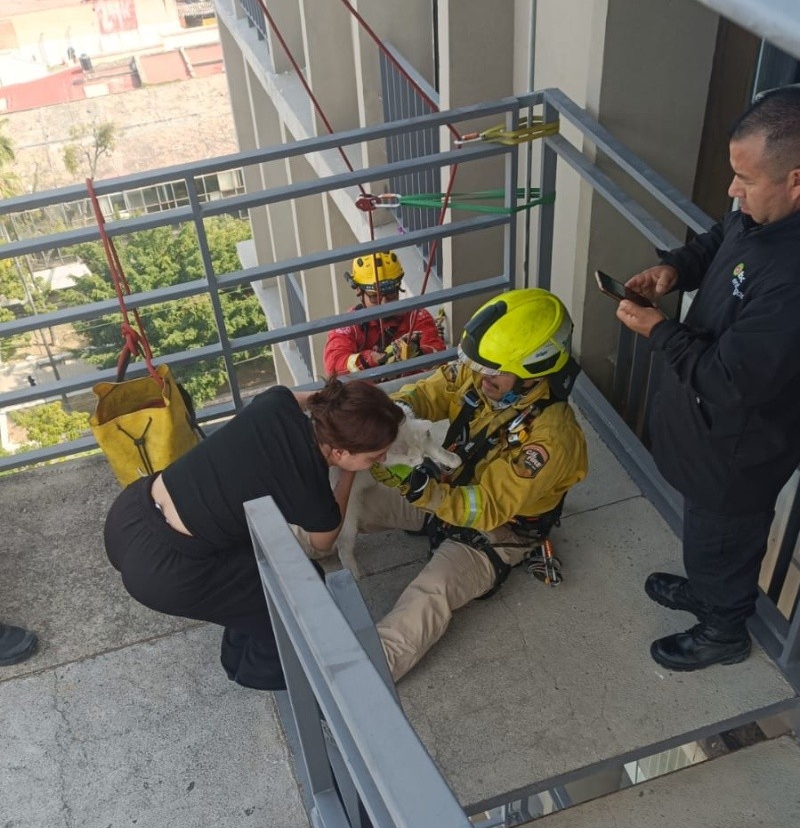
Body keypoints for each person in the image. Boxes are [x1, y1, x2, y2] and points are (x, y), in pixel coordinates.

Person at [617, 85, 800, 672]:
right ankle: (706, 588)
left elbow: (731, 380)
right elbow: (722, 239)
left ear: (797, 179)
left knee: (725, 541)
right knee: (706, 536)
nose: (732, 190)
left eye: (745, 178)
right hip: (707, 432)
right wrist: (676, 267)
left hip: (740, 448)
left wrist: (657, 331)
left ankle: (723, 630)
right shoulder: (762, 212)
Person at [104, 380, 402, 691]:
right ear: (340, 451)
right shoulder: (310, 489)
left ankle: (242, 627)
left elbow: (306, 398)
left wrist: (347, 413)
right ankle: (252, 671)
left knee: (258, 570)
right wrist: (349, 474)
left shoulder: (276, 405)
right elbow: (322, 542)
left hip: (130, 512)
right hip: (165, 573)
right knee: (299, 597)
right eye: (374, 456)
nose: (380, 460)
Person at [354, 289, 589, 681]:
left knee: (431, 592)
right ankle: (293, 542)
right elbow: (430, 392)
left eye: (492, 371)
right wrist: (396, 417)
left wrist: (423, 493)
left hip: (497, 530)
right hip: (446, 490)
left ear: (536, 368)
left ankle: (361, 681)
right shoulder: (488, 375)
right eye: (478, 366)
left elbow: (489, 507)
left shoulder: (551, 439)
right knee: (354, 505)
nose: (480, 377)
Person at [323, 250, 446, 375]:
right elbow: (333, 363)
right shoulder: (349, 325)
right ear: (359, 292)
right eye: (374, 297)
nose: (384, 303)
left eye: (391, 294)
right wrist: (369, 359)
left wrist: (418, 353)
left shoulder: (416, 317)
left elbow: (438, 357)